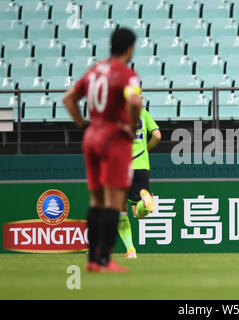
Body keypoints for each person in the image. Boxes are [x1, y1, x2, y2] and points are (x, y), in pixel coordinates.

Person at [63, 28, 143, 272]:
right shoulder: (127, 75)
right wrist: (130, 126)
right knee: (114, 202)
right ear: (129, 48)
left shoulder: (95, 70)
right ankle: (105, 259)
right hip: (114, 139)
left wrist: (82, 123)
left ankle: (91, 261)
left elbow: (68, 99)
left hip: (92, 137)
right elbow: (134, 101)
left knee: (96, 200)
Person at [118, 108, 161, 259]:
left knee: (121, 211)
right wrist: (146, 149)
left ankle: (131, 249)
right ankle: (145, 200)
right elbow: (157, 135)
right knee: (138, 213)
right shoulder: (143, 112)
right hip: (142, 165)